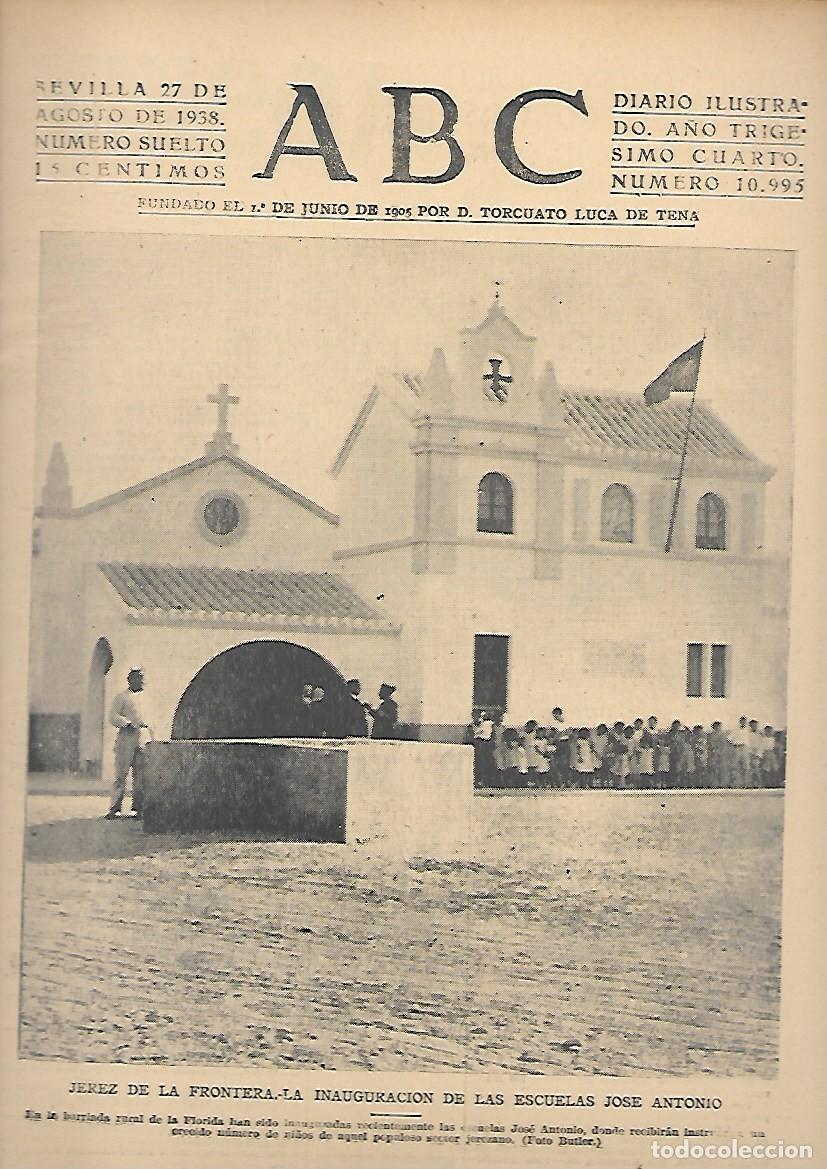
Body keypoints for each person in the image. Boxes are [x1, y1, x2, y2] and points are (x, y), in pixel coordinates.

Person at [105, 667, 153, 819]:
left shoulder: (147, 698)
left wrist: (151, 735)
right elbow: (113, 716)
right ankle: (115, 808)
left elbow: (151, 719)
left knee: (140, 776)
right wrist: (126, 723)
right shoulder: (121, 697)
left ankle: (138, 809)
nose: (139, 681)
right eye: (136, 678)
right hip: (126, 738)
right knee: (120, 775)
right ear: (129, 680)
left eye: (141, 678)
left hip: (142, 739)